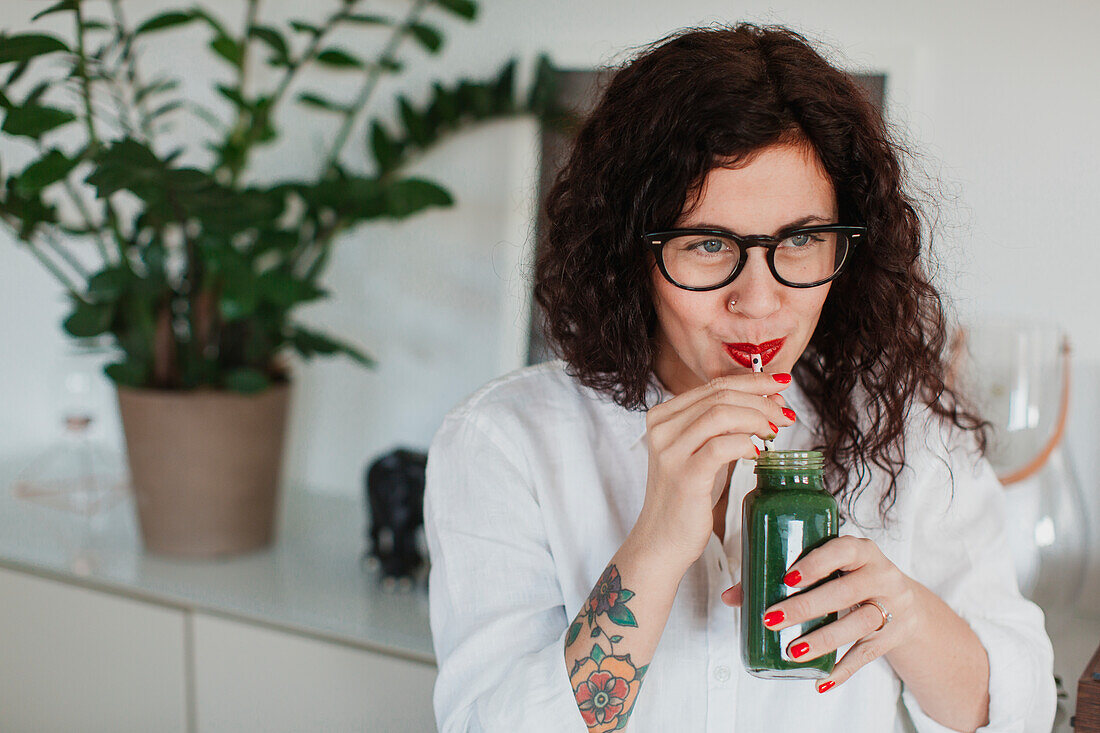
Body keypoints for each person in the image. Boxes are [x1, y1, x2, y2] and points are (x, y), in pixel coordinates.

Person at [424, 22, 1056, 733]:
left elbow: (1022, 712)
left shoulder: (906, 426)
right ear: (629, 252)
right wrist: (657, 543)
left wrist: (906, 614)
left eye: (802, 240)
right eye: (707, 244)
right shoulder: (505, 442)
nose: (758, 302)